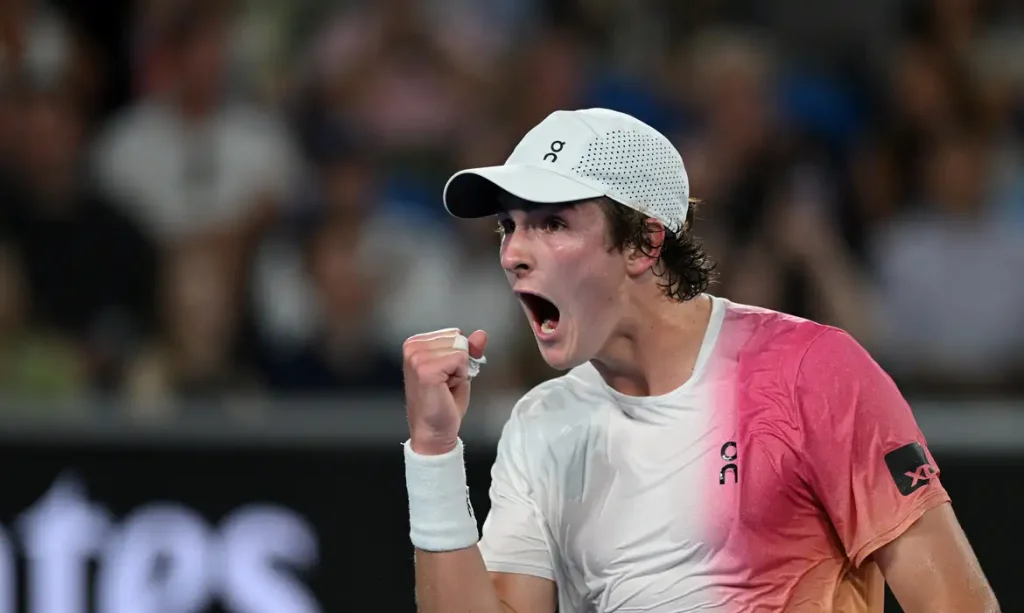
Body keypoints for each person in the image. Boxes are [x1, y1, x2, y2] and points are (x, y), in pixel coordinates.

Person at [400, 108, 999, 613]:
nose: (514, 254)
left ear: (644, 242)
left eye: (552, 223)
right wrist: (433, 452)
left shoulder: (812, 371)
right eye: (509, 226)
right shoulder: (540, 424)